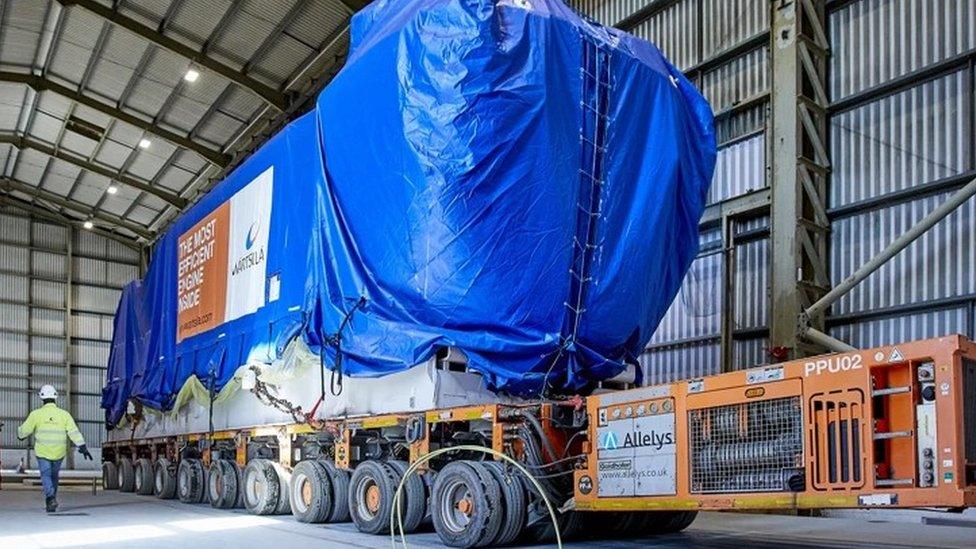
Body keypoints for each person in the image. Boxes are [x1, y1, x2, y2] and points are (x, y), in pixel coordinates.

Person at [17, 385, 93, 512]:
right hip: (59, 452)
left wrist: (20, 434)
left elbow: (24, 431)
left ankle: (50, 498)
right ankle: (52, 499)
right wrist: (82, 446)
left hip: (43, 451)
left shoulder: (36, 414)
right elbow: (74, 432)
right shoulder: (64, 415)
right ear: (55, 397)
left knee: (46, 475)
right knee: (54, 476)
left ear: (42, 398)